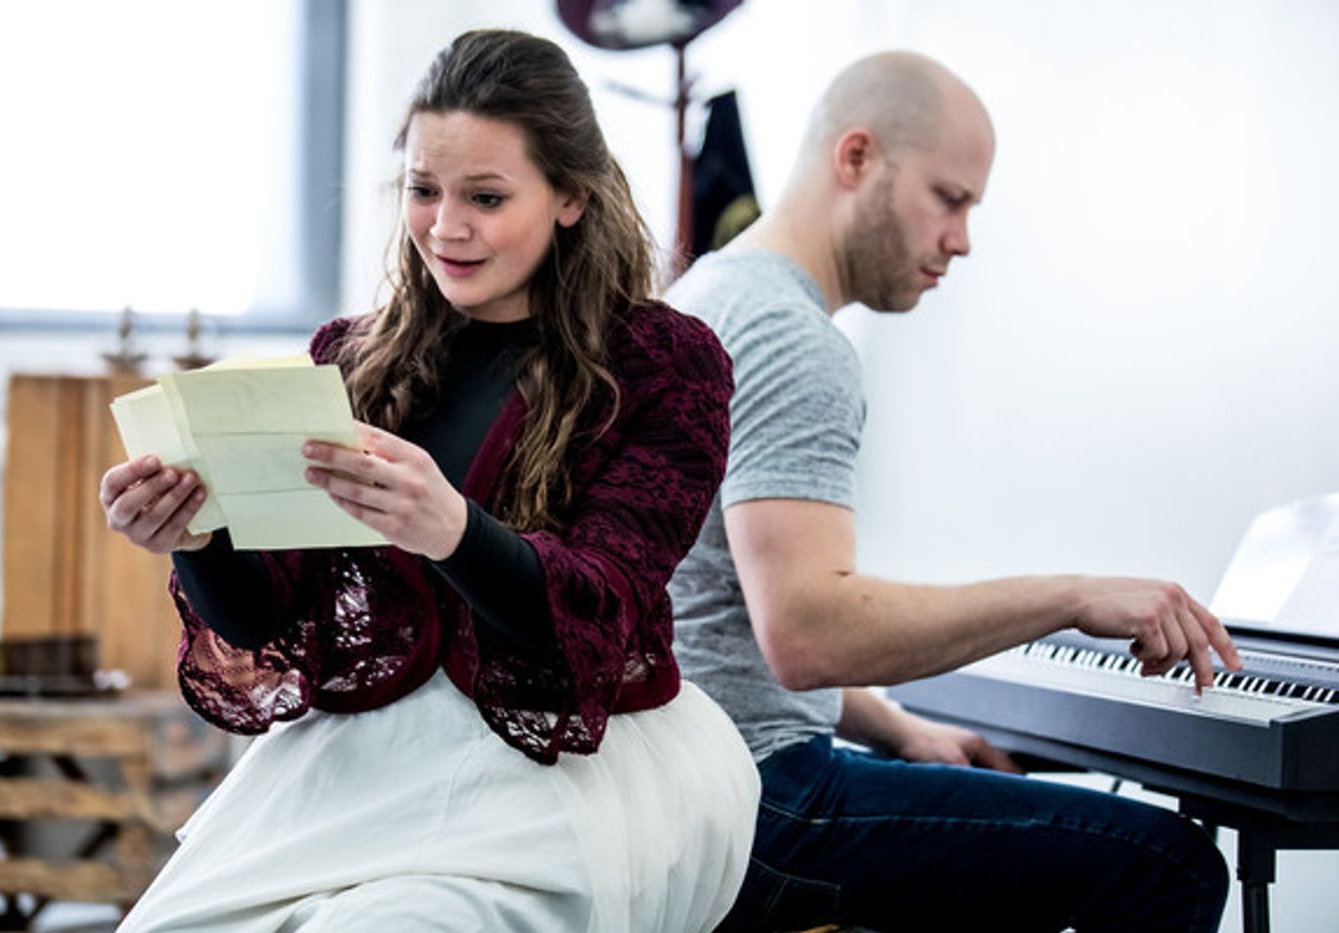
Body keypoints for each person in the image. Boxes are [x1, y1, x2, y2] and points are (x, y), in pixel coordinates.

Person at [98, 29, 757, 933]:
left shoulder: (663, 364)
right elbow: (263, 615)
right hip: (358, 765)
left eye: (487, 197)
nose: (446, 226)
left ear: (571, 195)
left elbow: (601, 611)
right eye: (422, 189)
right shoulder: (351, 358)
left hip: (553, 768)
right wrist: (198, 537)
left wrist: (451, 529)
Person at [665, 50, 1243, 933]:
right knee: (1169, 864)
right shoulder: (793, 339)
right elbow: (808, 631)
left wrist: (898, 729)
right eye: (950, 197)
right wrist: (1072, 595)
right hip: (765, 801)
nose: (963, 238)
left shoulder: (707, 293)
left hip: (695, 788)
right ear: (855, 158)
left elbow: (734, 614)